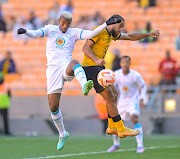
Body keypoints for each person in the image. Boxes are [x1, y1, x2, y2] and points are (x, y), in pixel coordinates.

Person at [17, 11, 122, 150]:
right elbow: (35, 33)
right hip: (53, 70)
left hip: (66, 67)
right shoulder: (50, 29)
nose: (65, 26)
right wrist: (25, 32)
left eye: (68, 23)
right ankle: (62, 133)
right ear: (59, 20)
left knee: (74, 62)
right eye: (63, 23)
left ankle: (85, 85)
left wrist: (105, 24)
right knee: (53, 107)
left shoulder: (73, 32)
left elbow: (90, 34)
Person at [82, 14, 159, 138]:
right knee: (110, 98)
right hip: (90, 67)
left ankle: (112, 127)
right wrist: (96, 60)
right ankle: (120, 128)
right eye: (120, 26)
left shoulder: (112, 35)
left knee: (115, 94)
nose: (121, 29)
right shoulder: (98, 31)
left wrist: (148, 35)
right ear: (112, 23)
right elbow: (85, 48)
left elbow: (130, 36)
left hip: (99, 68)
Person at [107, 56, 146, 153]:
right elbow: (111, 86)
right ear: (120, 64)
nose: (124, 64)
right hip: (122, 102)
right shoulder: (117, 74)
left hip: (133, 101)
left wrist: (141, 99)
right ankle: (116, 144)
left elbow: (143, 86)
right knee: (115, 121)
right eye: (123, 62)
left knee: (134, 119)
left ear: (130, 63)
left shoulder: (135, 75)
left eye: (126, 62)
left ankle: (140, 146)